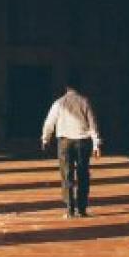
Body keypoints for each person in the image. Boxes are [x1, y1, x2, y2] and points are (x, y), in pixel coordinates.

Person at [40, 84, 102, 217]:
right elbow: (92, 124)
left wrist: (45, 139)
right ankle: (82, 209)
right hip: (82, 141)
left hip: (64, 142)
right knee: (83, 175)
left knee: (66, 174)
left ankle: (69, 210)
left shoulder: (59, 103)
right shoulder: (84, 101)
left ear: (66, 89)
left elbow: (49, 123)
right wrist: (96, 144)